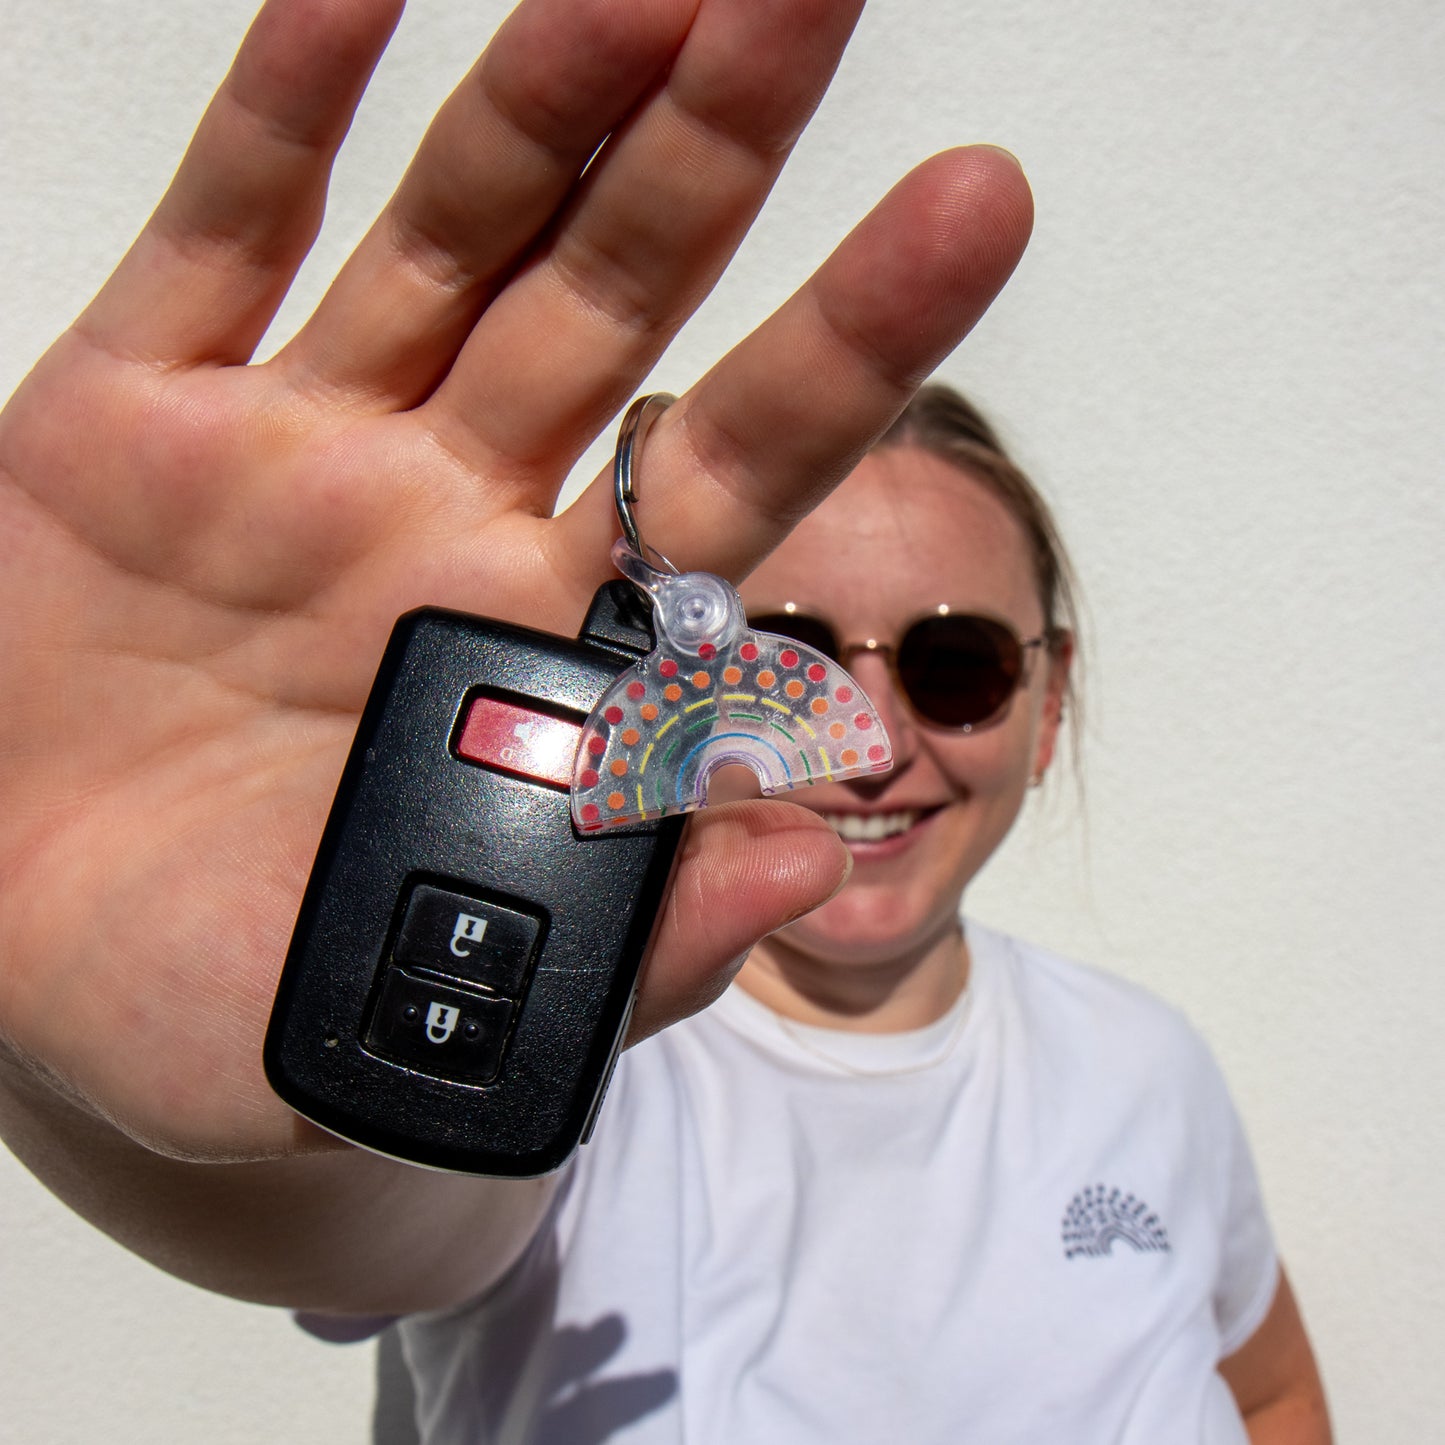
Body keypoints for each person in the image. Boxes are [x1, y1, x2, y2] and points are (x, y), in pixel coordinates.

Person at [0, 0, 1328, 1440]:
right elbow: (374, 1216)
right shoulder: (590, 1028)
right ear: (684, 679)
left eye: (957, 665)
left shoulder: (1144, 1064)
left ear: (1047, 703)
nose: (869, 737)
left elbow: (1265, 1387)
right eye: (791, 649)